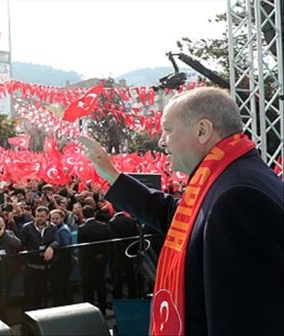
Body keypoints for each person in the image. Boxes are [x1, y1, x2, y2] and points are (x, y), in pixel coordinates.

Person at [78, 87, 284, 335]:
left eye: (168, 130)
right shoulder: (226, 176)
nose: (162, 141)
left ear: (202, 131)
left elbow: (244, 318)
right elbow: (176, 216)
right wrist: (111, 173)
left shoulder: (236, 195)